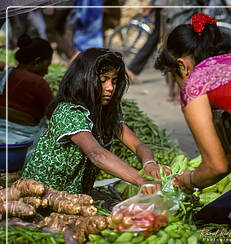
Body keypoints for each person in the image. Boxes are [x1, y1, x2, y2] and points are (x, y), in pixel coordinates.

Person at [22, 48, 170, 195]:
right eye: (103, 80)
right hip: (43, 193)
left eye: (114, 81)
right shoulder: (69, 112)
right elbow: (96, 154)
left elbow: (137, 145)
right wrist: (140, 180)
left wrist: (149, 163)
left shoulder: (105, 111)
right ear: (84, 80)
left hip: (74, 196)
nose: (110, 87)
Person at [155, 13, 231, 194]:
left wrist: (189, 179)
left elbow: (217, 166)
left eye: (175, 78)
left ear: (183, 66)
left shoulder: (196, 82)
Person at [0, 34, 53, 127]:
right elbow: (53, 114)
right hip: (25, 136)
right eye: (47, 65)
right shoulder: (39, 83)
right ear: (37, 61)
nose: (47, 71)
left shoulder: (5, 75)